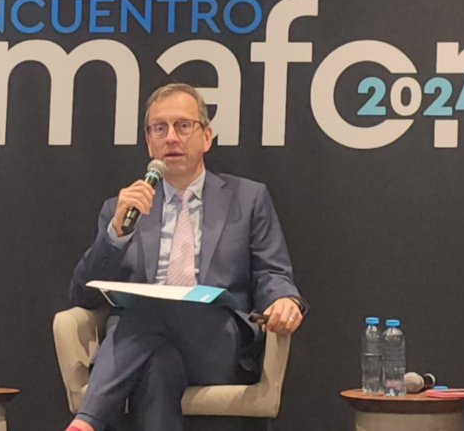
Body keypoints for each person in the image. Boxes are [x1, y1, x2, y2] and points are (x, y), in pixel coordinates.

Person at [65, 83, 308, 431]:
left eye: (183, 126)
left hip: (215, 342)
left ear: (206, 137)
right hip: (149, 347)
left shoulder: (248, 198)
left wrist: (285, 299)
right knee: (160, 366)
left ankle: (88, 421)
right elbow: (82, 294)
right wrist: (116, 235)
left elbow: (272, 272)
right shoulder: (123, 208)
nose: (171, 138)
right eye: (159, 128)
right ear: (148, 142)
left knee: (141, 312)